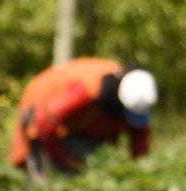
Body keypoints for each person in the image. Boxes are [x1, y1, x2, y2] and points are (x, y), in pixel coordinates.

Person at [8, 57, 156, 180]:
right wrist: (65, 159)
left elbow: (139, 137)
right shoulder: (85, 92)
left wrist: (138, 176)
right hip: (42, 111)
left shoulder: (138, 94)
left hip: (77, 124)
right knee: (46, 178)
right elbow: (45, 124)